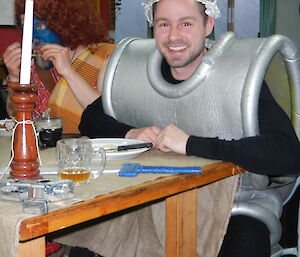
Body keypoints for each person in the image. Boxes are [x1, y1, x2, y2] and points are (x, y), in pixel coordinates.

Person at [56, 0, 300, 256]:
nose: (173, 36)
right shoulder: (135, 72)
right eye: (164, 24)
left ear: (208, 25)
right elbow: (91, 118)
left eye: (186, 23)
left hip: (235, 205)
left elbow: (288, 154)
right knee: (87, 243)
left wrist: (190, 144)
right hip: (152, 201)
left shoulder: (238, 77)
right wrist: (131, 134)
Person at [3, 0, 115, 133]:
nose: (33, 37)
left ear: (66, 23)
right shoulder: (34, 65)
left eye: (40, 27)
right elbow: (15, 116)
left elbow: (109, 116)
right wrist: (15, 78)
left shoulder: (105, 58)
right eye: (26, 27)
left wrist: (68, 72)